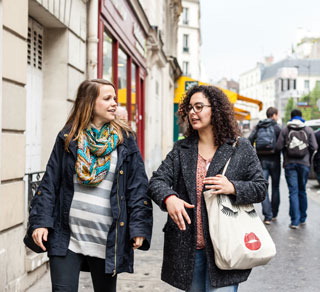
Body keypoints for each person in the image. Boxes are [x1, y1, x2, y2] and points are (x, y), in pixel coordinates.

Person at [26, 79, 153, 292]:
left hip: (107, 238)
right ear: (89, 103)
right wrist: (40, 222)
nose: (114, 103)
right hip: (67, 235)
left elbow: (137, 187)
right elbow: (49, 183)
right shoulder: (69, 138)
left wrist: (138, 227)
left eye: (115, 98)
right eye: (107, 98)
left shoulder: (125, 140)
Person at [148, 85, 267, 292]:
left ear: (216, 110)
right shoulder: (181, 149)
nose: (193, 112)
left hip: (226, 246)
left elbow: (260, 188)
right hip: (189, 249)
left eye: (199, 107)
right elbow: (157, 181)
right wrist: (169, 198)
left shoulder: (240, 147)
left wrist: (233, 187)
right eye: (190, 108)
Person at [275, 109, 317, 229]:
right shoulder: (308, 129)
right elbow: (314, 146)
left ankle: (295, 221)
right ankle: (303, 218)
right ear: (301, 116)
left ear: (291, 117)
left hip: (290, 164)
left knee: (293, 192)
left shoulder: (285, 129)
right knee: (302, 191)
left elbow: (278, 147)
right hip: (304, 164)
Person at [248, 107, 281, 224]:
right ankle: (274, 213)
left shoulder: (259, 126)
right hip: (275, 160)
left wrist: (254, 154)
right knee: (275, 187)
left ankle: (268, 216)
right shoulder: (277, 127)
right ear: (274, 115)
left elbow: (249, 140)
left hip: (261, 160)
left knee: (263, 188)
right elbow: (281, 144)